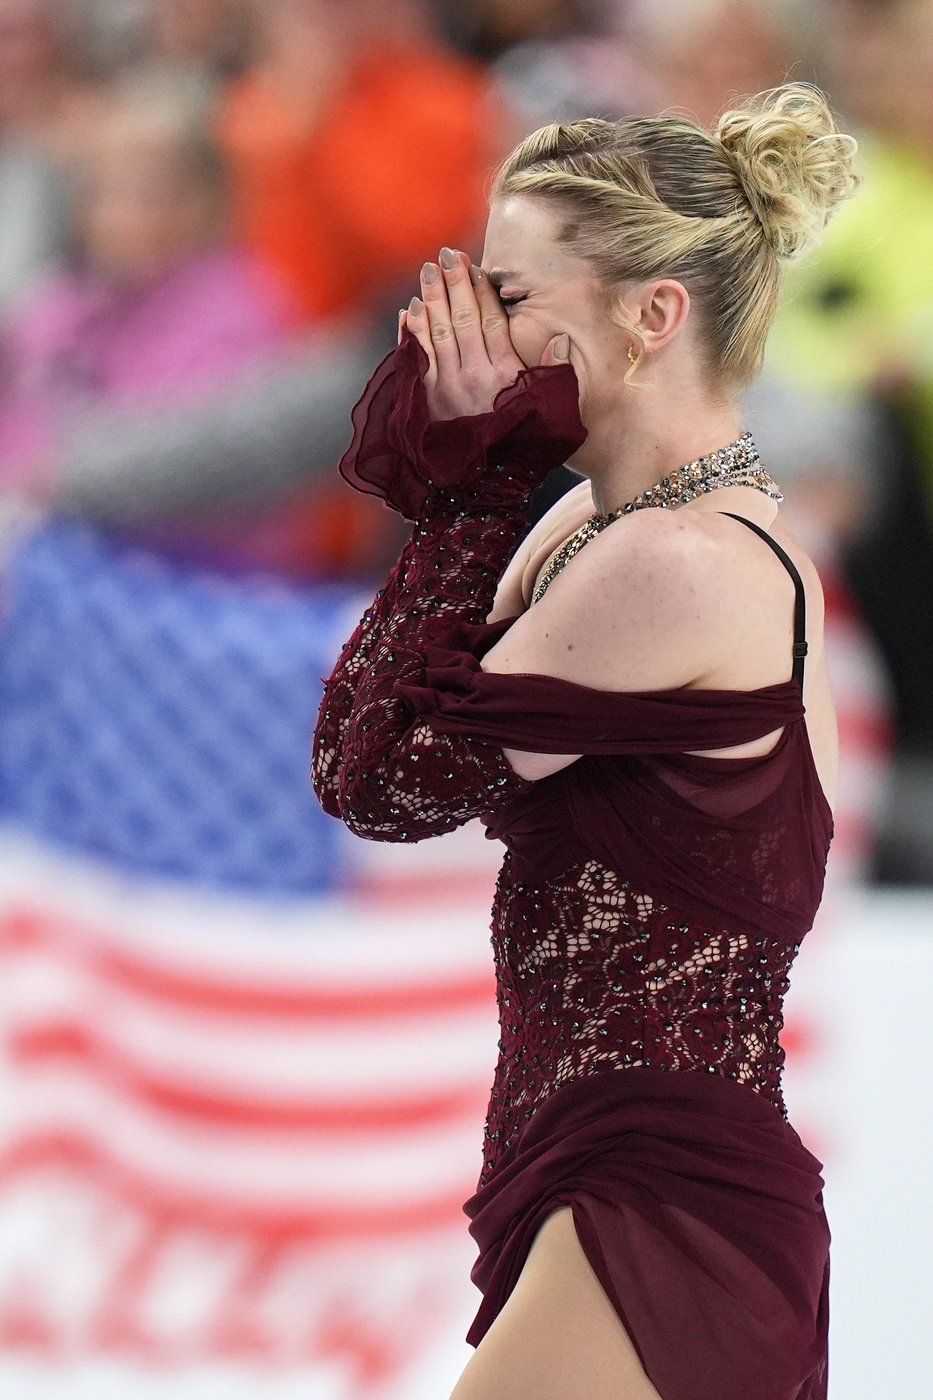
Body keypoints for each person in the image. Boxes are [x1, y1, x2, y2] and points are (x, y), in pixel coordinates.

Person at [312, 81, 860, 1400]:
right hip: (604, 1169)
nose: (473, 335)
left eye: (510, 296)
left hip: (661, 1194)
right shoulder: (594, 533)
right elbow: (376, 747)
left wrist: (472, 485)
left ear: (651, 315)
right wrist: (491, 492)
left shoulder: (676, 562)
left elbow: (377, 780)